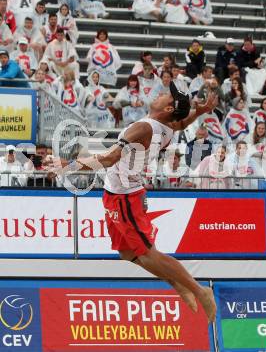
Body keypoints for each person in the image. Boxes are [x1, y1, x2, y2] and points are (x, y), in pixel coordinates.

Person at [48, 81, 217, 323]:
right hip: (117, 192)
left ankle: (200, 291)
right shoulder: (165, 127)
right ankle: (178, 285)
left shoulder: (143, 128)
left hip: (125, 197)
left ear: (168, 109)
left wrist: (68, 166)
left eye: (165, 96)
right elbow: (181, 123)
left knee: (147, 252)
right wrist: (198, 112)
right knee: (127, 253)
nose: (159, 94)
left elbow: (108, 159)